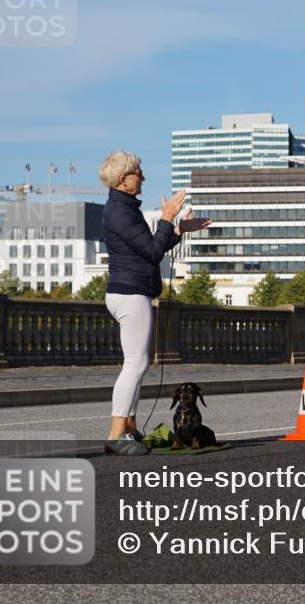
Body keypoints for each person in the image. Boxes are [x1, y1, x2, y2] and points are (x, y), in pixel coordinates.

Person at [98, 151, 211, 455]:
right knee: (135, 364)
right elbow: (150, 252)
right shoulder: (120, 212)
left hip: (129, 291)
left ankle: (130, 429)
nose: (143, 177)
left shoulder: (122, 208)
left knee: (138, 364)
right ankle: (116, 433)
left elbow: (151, 247)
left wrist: (177, 230)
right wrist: (165, 217)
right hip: (130, 293)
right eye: (138, 172)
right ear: (124, 179)